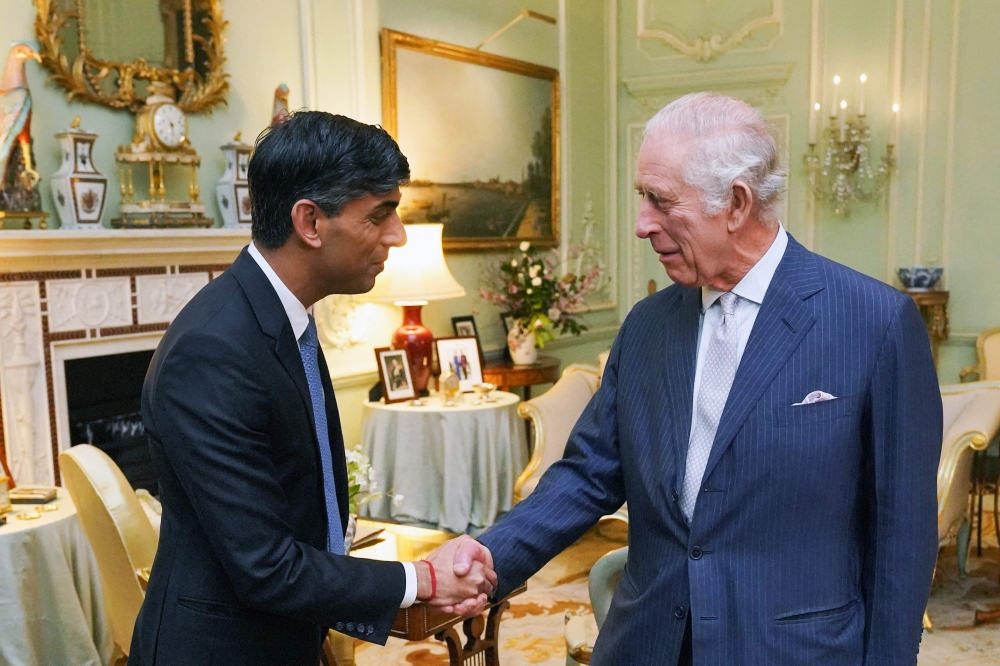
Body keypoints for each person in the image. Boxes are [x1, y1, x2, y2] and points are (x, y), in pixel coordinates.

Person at [462, 93, 942, 665]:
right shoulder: (647, 324)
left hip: (793, 651)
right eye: (643, 198)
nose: (642, 225)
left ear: (736, 203)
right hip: (647, 646)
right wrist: (482, 560)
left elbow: (902, 535)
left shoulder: (875, 321)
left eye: (661, 202)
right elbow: (588, 474)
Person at [130, 111, 494, 666]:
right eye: (381, 215)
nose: (396, 236)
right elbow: (267, 567)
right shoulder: (213, 351)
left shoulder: (281, 318)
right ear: (310, 222)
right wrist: (419, 579)